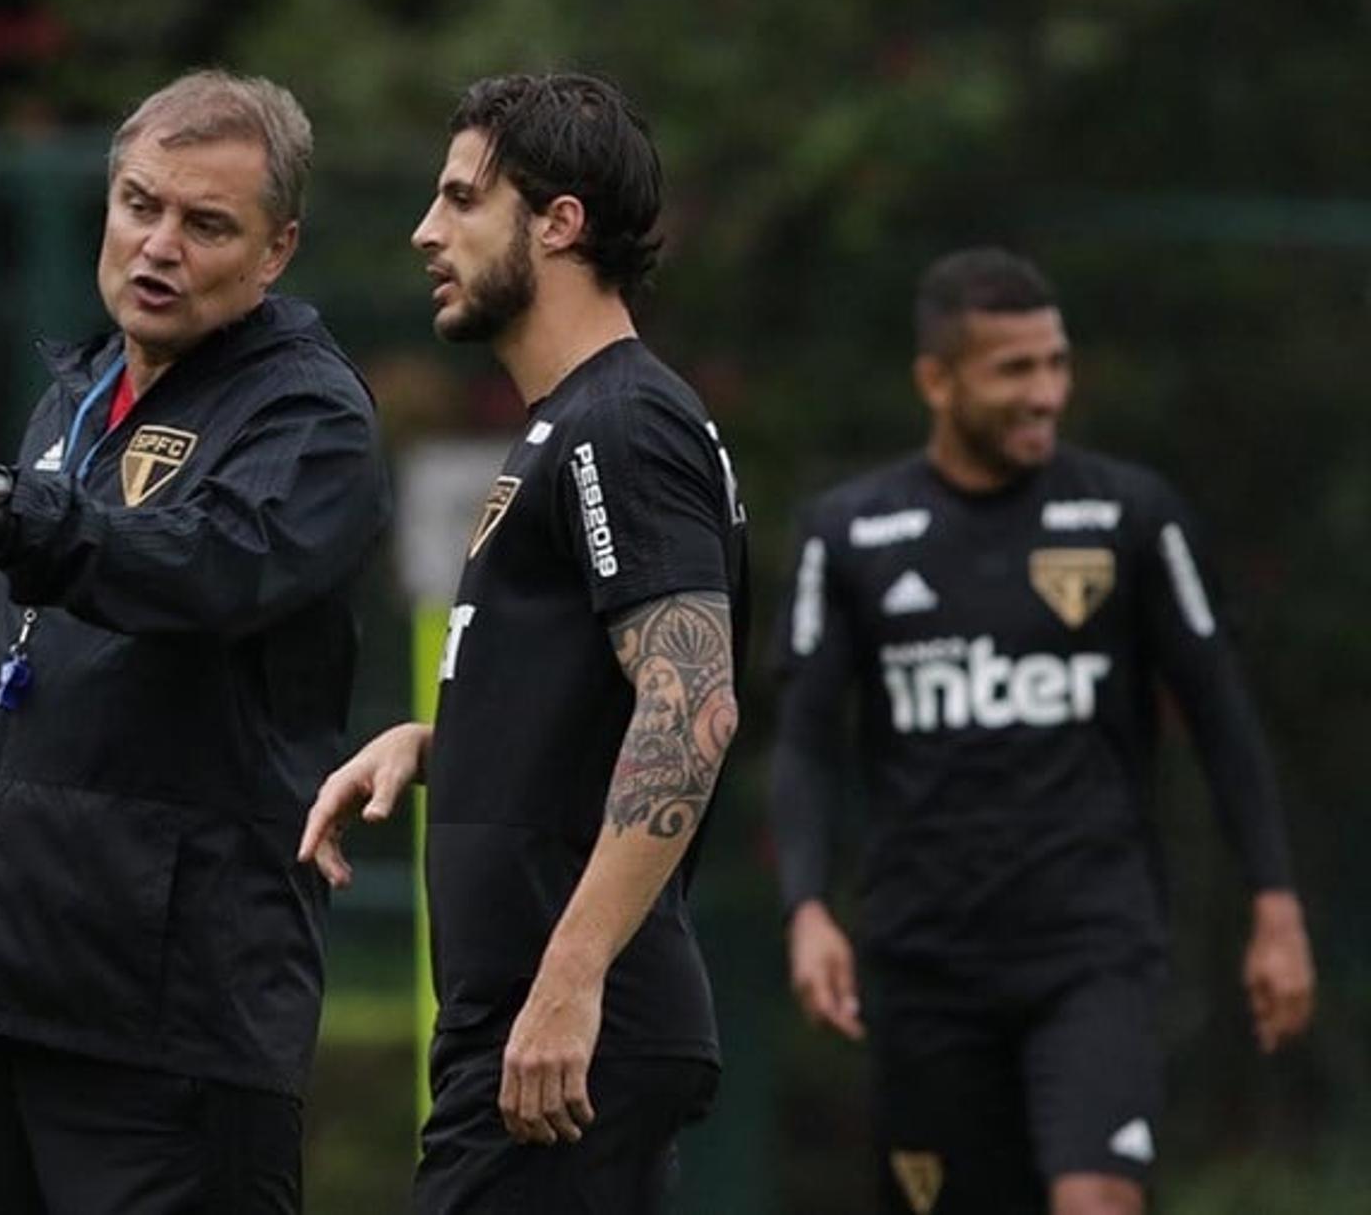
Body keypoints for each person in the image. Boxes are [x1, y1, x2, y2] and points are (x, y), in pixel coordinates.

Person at [0, 69, 390, 1214]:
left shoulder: (311, 418)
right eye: (141, 205)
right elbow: (19, 701)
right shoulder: (76, 401)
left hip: (179, 1031)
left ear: (277, 250)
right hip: (23, 999)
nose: (160, 245)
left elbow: (199, 570)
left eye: (206, 224)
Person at [769, 247, 1316, 1215]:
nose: (1046, 393)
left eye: (1056, 364)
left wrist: (1275, 905)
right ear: (937, 381)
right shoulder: (849, 534)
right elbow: (807, 742)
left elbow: (1222, 718)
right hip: (924, 957)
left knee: (1096, 1195)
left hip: (1091, 946)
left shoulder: (1130, 517)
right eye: (1014, 369)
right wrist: (807, 906)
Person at [299, 73, 748, 1213]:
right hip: (540, 1031)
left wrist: (569, 977)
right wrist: (442, 739)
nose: (425, 231)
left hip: (568, 1031)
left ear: (559, 223)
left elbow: (691, 708)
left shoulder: (623, 424)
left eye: (461, 199)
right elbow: (599, 698)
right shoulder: (565, 429)